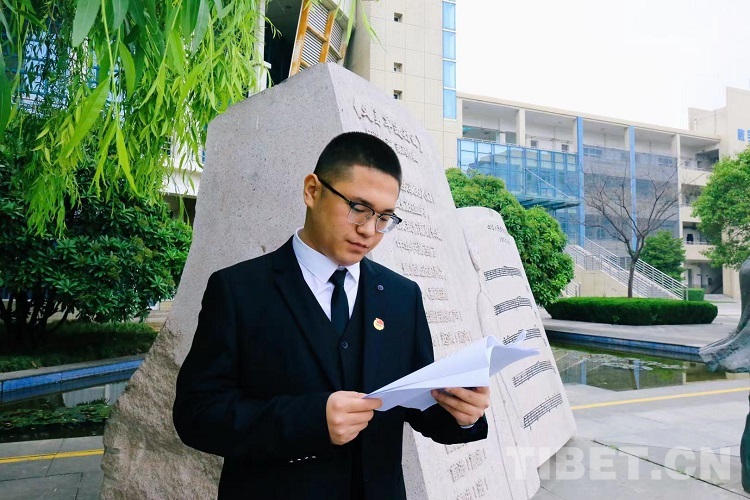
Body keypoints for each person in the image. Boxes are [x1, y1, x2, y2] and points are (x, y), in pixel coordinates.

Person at [173, 132, 490, 499]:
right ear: (312, 191)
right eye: (358, 207)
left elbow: (418, 406)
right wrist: (310, 420)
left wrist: (462, 415)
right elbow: (197, 415)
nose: (369, 231)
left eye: (384, 217)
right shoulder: (238, 290)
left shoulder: (402, 296)